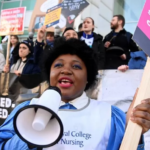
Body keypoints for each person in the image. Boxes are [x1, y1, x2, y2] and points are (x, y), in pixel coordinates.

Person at [0, 38, 150, 150]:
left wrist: (134, 131)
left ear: (87, 78)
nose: (65, 70)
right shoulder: (26, 110)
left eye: (76, 66)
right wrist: (29, 134)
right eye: (58, 65)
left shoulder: (112, 116)